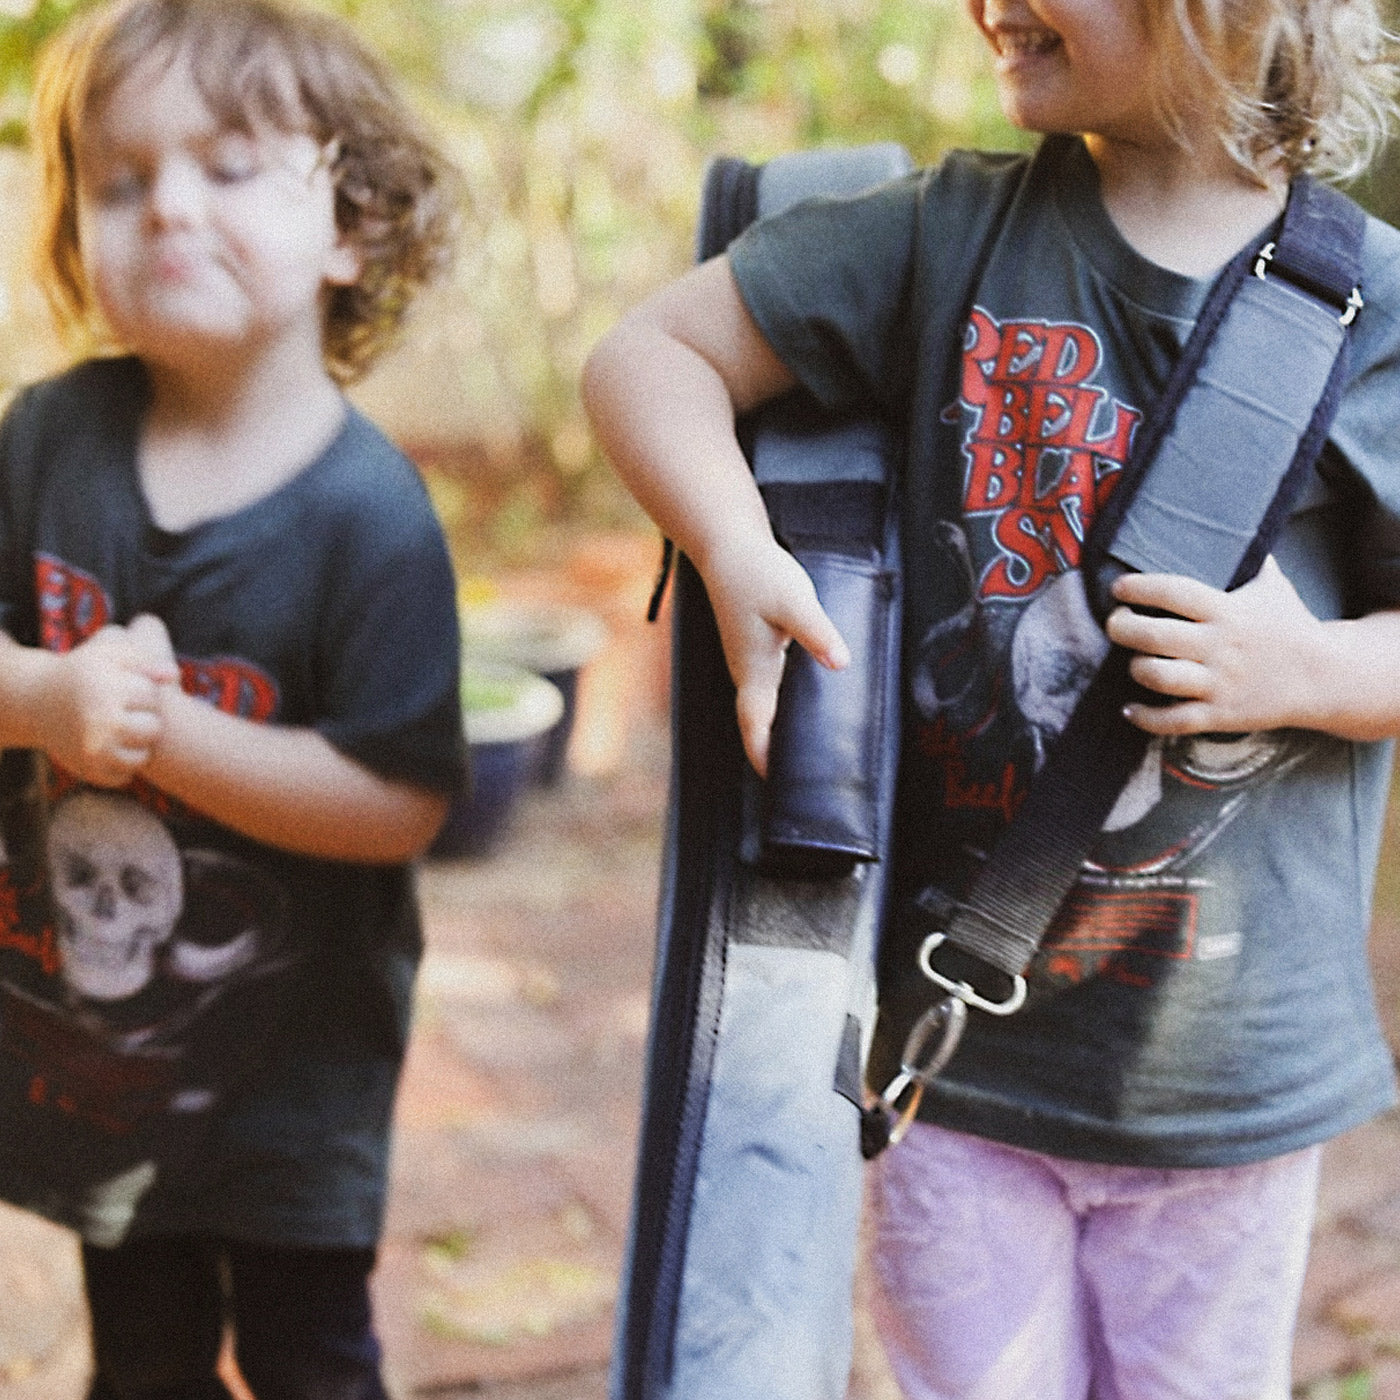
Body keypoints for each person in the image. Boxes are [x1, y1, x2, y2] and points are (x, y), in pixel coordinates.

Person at [582, 0, 1400, 1392]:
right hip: (960, 1054)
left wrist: (1309, 670)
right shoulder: (939, 235)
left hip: (1228, 1091)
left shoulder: (1369, 303)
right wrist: (735, 551)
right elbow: (643, 359)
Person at [0, 1, 467, 1396]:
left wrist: (165, 736)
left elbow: (398, 803)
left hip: (291, 1077)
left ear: (352, 224)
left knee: (310, 1355)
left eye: (227, 165)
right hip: (97, 1050)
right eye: (122, 178)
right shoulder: (44, 442)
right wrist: (44, 698)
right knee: (141, 1359)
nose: (168, 209)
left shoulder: (369, 517)